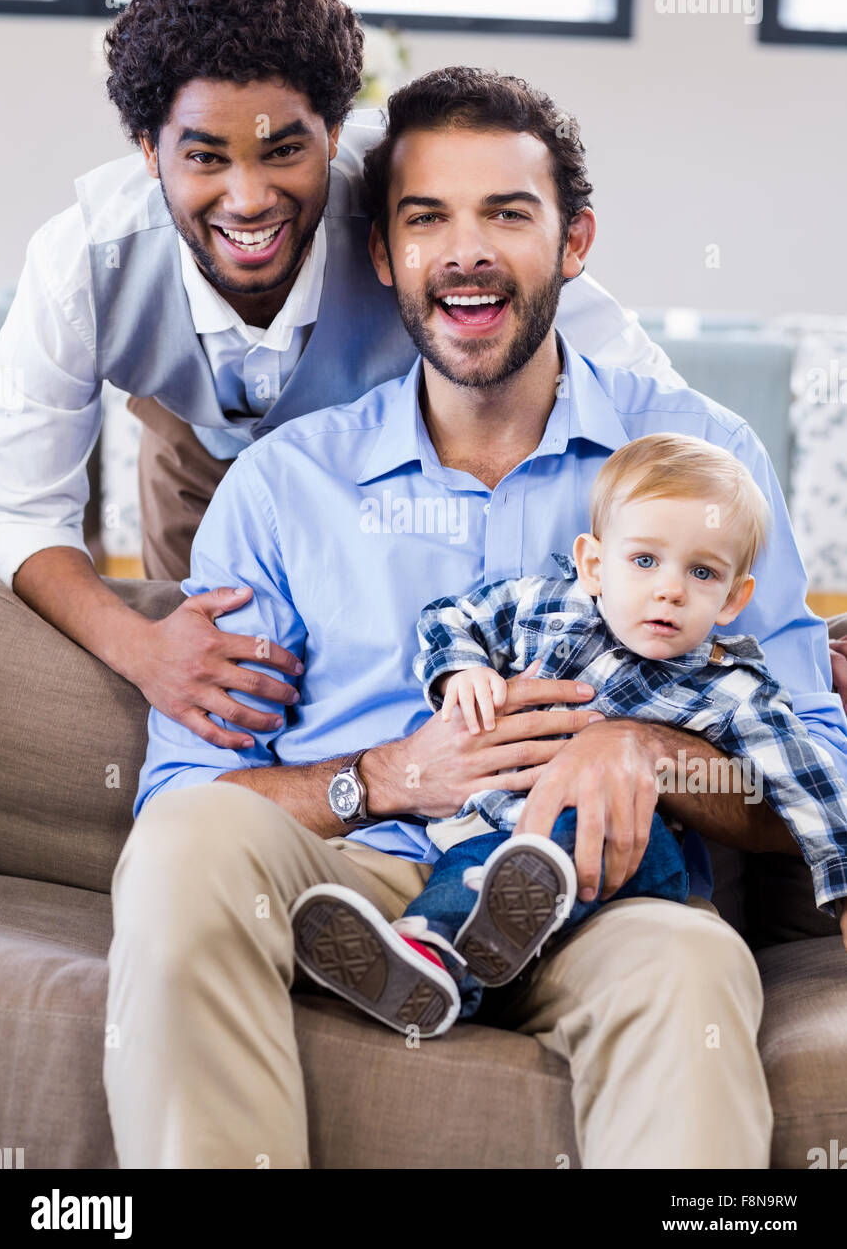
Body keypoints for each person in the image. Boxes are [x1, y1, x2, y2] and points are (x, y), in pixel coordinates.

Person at [104, 66, 847, 1170]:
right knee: (181, 843)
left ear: (573, 241)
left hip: (603, 895)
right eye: (425, 218)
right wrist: (389, 776)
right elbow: (184, 798)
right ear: (381, 255)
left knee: (689, 966)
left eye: (506, 213)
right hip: (351, 886)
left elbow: (813, 758)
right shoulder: (282, 485)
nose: (464, 250)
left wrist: (647, 753)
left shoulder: (702, 462)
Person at [0, 0, 677, 758]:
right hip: (191, 451)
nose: (248, 199)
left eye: (283, 152)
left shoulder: (415, 202)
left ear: (336, 133)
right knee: (210, 670)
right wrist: (141, 648)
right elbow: (19, 508)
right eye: (205, 156)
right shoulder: (83, 260)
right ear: (148, 149)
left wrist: (766, 616)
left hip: (371, 467)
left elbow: (635, 385)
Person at [291, 434, 847, 1036]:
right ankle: (427, 964)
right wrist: (462, 669)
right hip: (498, 836)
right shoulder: (548, 608)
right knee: (479, 873)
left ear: (734, 599)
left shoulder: (735, 687)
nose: (670, 589)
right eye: (644, 561)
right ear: (593, 565)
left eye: (703, 572)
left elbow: (810, 787)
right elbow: (449, 616)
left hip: (632, 859)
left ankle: (484, 933)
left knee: (561, 830)